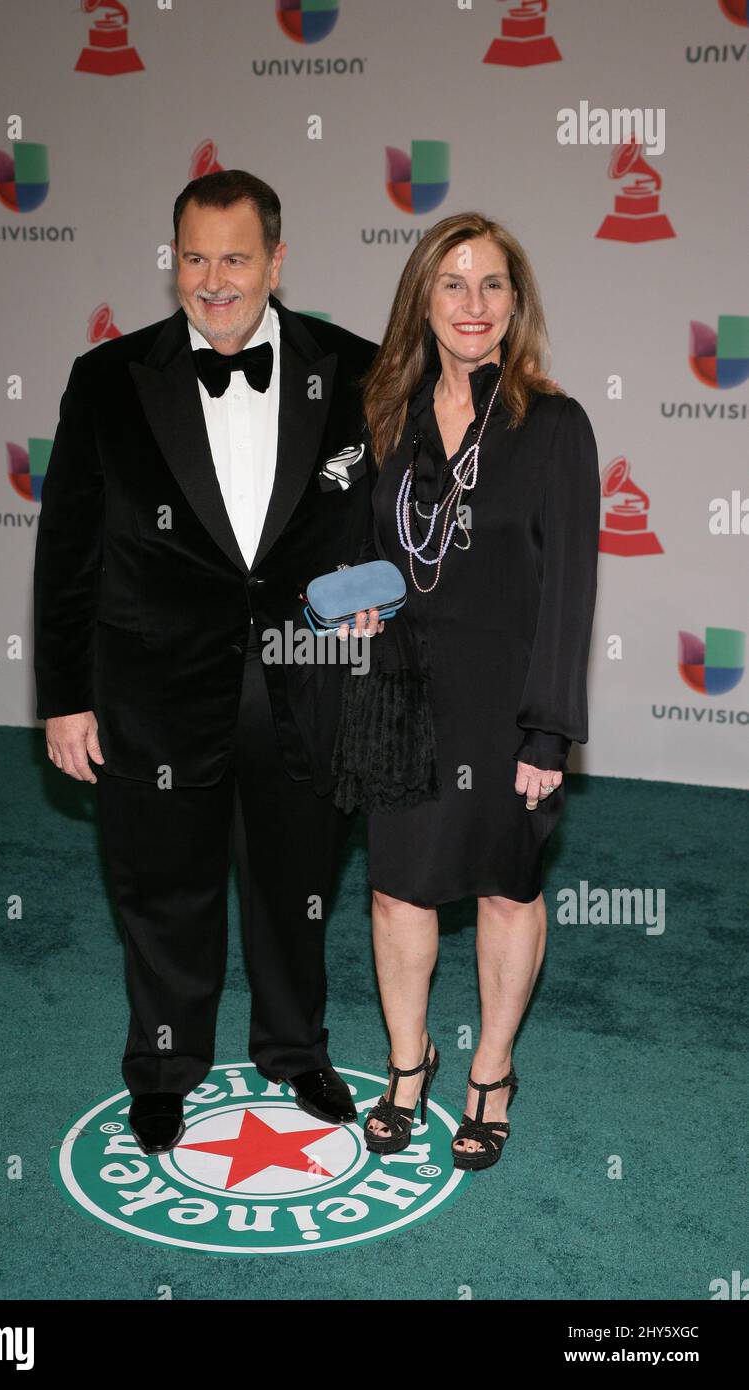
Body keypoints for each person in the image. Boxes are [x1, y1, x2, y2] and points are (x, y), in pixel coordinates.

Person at [33, 169, 378, 1155]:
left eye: (235, 257)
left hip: (302, 678)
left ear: (277, 258)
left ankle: (294, 1048)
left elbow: (387, 528)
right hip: (153, 686)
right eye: (194, 258)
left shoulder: (353, 368)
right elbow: (69, 550)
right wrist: (63, 700)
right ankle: (165, 1063)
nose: (213, 280)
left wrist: (352, 607)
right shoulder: (107, 379)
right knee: (161, 881)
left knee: (296, 877)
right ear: (171, 260)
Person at [343, 212, 599, 1171]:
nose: (473, 305)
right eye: (452, 283)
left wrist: (549, 733)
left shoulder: (554, 426)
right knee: (397, 892)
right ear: (423, 298)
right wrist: (358, 604)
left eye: (492, 284)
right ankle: (409, 1066)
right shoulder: (389, 414)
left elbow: (570, 588)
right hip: (403, 693)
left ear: (516, 303)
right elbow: (380, 552)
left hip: (506, 702)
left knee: (506, 888)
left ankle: (491, 1071)